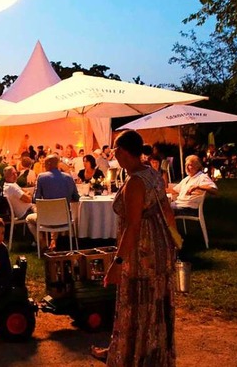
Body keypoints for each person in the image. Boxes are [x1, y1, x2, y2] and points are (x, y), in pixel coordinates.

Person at [92, 129, 178, 365]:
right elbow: (167, 211)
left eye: (115, 150)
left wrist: (117, 263)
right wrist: (174, 241)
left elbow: (133, 226)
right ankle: (146, 351)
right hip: (160, 244)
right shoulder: (152, 174)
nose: (113, 155)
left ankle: (132, 355)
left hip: (142, 250)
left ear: (122, 151)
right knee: (154, 300)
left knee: (135, 301)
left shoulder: (136, 183)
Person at [26, 155, 79, 250]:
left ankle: (42, 243)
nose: (43, 166)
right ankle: (54, 241)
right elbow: (76, 198)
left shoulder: (41, 177)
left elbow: (35, 199)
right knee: (57, 212)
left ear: (48, 164)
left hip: (47, 219)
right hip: (65, 219)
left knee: (29, 219)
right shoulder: (68, 177)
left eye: (44, 164)